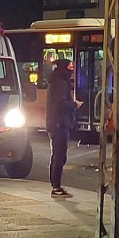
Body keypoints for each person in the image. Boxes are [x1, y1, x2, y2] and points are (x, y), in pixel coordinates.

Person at [46, 59, 77, 197]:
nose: (72, 71)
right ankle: (56, 187)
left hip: (58, 123)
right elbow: (61, 104)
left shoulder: (57, 82)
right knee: (59, 155)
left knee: (57, 155)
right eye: (70, 67)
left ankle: (56, 185)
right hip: (59, 124)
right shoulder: (60, 84)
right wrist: (75, 105)